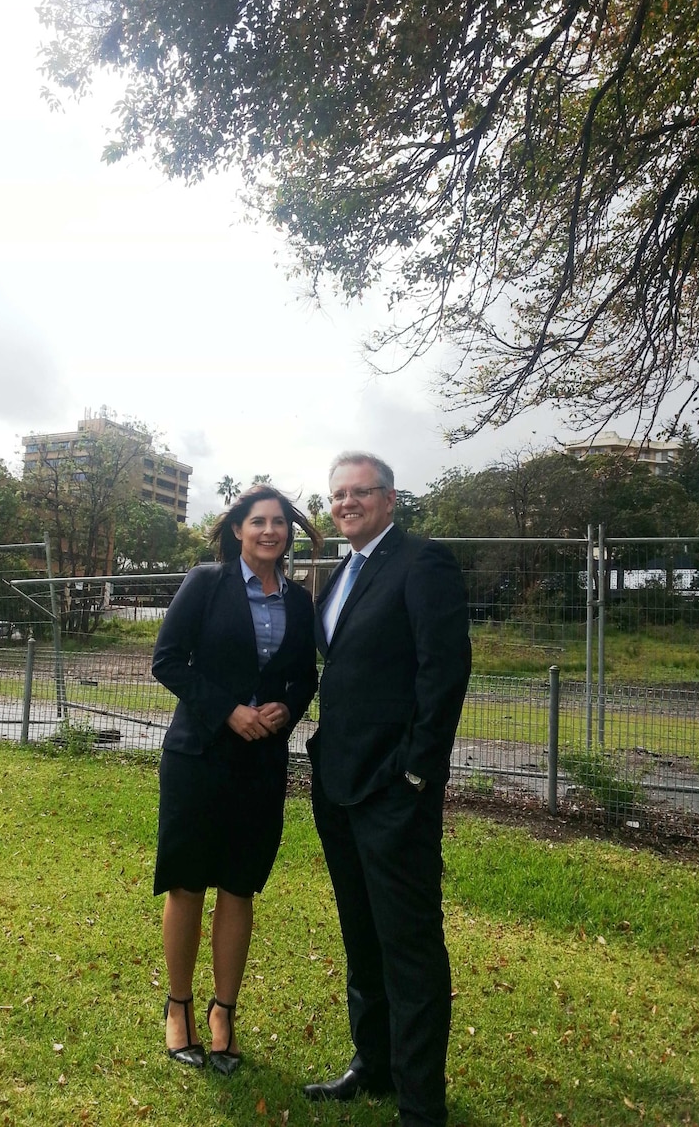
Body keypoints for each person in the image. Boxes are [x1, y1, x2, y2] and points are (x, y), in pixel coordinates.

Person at [303, 451, 471, 1127]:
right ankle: (370, 1065)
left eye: (359, 492)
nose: (346, 503)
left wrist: (415, 772)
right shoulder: (341, 572)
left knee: (408, 944)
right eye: (337, 494)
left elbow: (444, 672)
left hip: (393, 790)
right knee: (361, 934)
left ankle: (420, 1102)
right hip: (338, 785)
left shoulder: (421, 563)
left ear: (390, 498)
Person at [151, 484, 322, 1075]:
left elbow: (305, 676)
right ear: (237, 530)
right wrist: (228, 709)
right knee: (188, 882)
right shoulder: (206, 583)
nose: (269, 531)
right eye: (258, 522)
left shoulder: (300, 603)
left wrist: (285, 709)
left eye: (278, 523)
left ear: (287, 532)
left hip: (260, 763)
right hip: (199, 755)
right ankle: (180, 1007)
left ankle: (225, 1012)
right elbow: (167, 660)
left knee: (239, 885)